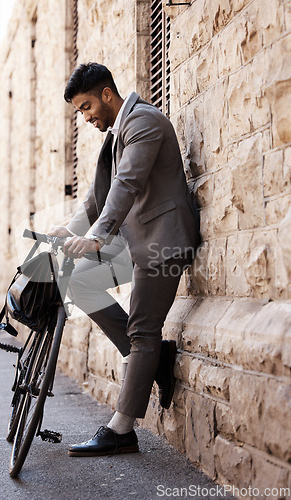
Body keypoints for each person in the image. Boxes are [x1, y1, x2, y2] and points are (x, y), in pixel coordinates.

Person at [49, 62, 200, 457]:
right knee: (79, 281)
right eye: (79, 112)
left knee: (142, 329)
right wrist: (70, 229)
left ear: (106, 95)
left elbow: (127, 184)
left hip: (164, 242)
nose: (85, 117)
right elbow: (100, 195)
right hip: (137, 240)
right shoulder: (120, 129)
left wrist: (97, 236)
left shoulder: (143, 122)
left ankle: (122, 428)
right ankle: (151, 358)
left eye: (85, 107)